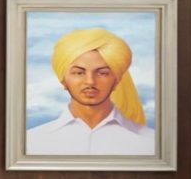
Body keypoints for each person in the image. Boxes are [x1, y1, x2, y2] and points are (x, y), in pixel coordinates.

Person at [27, 27, 155, 155]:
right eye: (78, 73)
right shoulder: (31, 142)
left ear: (117, 80)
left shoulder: (150, 143)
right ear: (63, 80)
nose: (90, 81)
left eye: (102, 73)